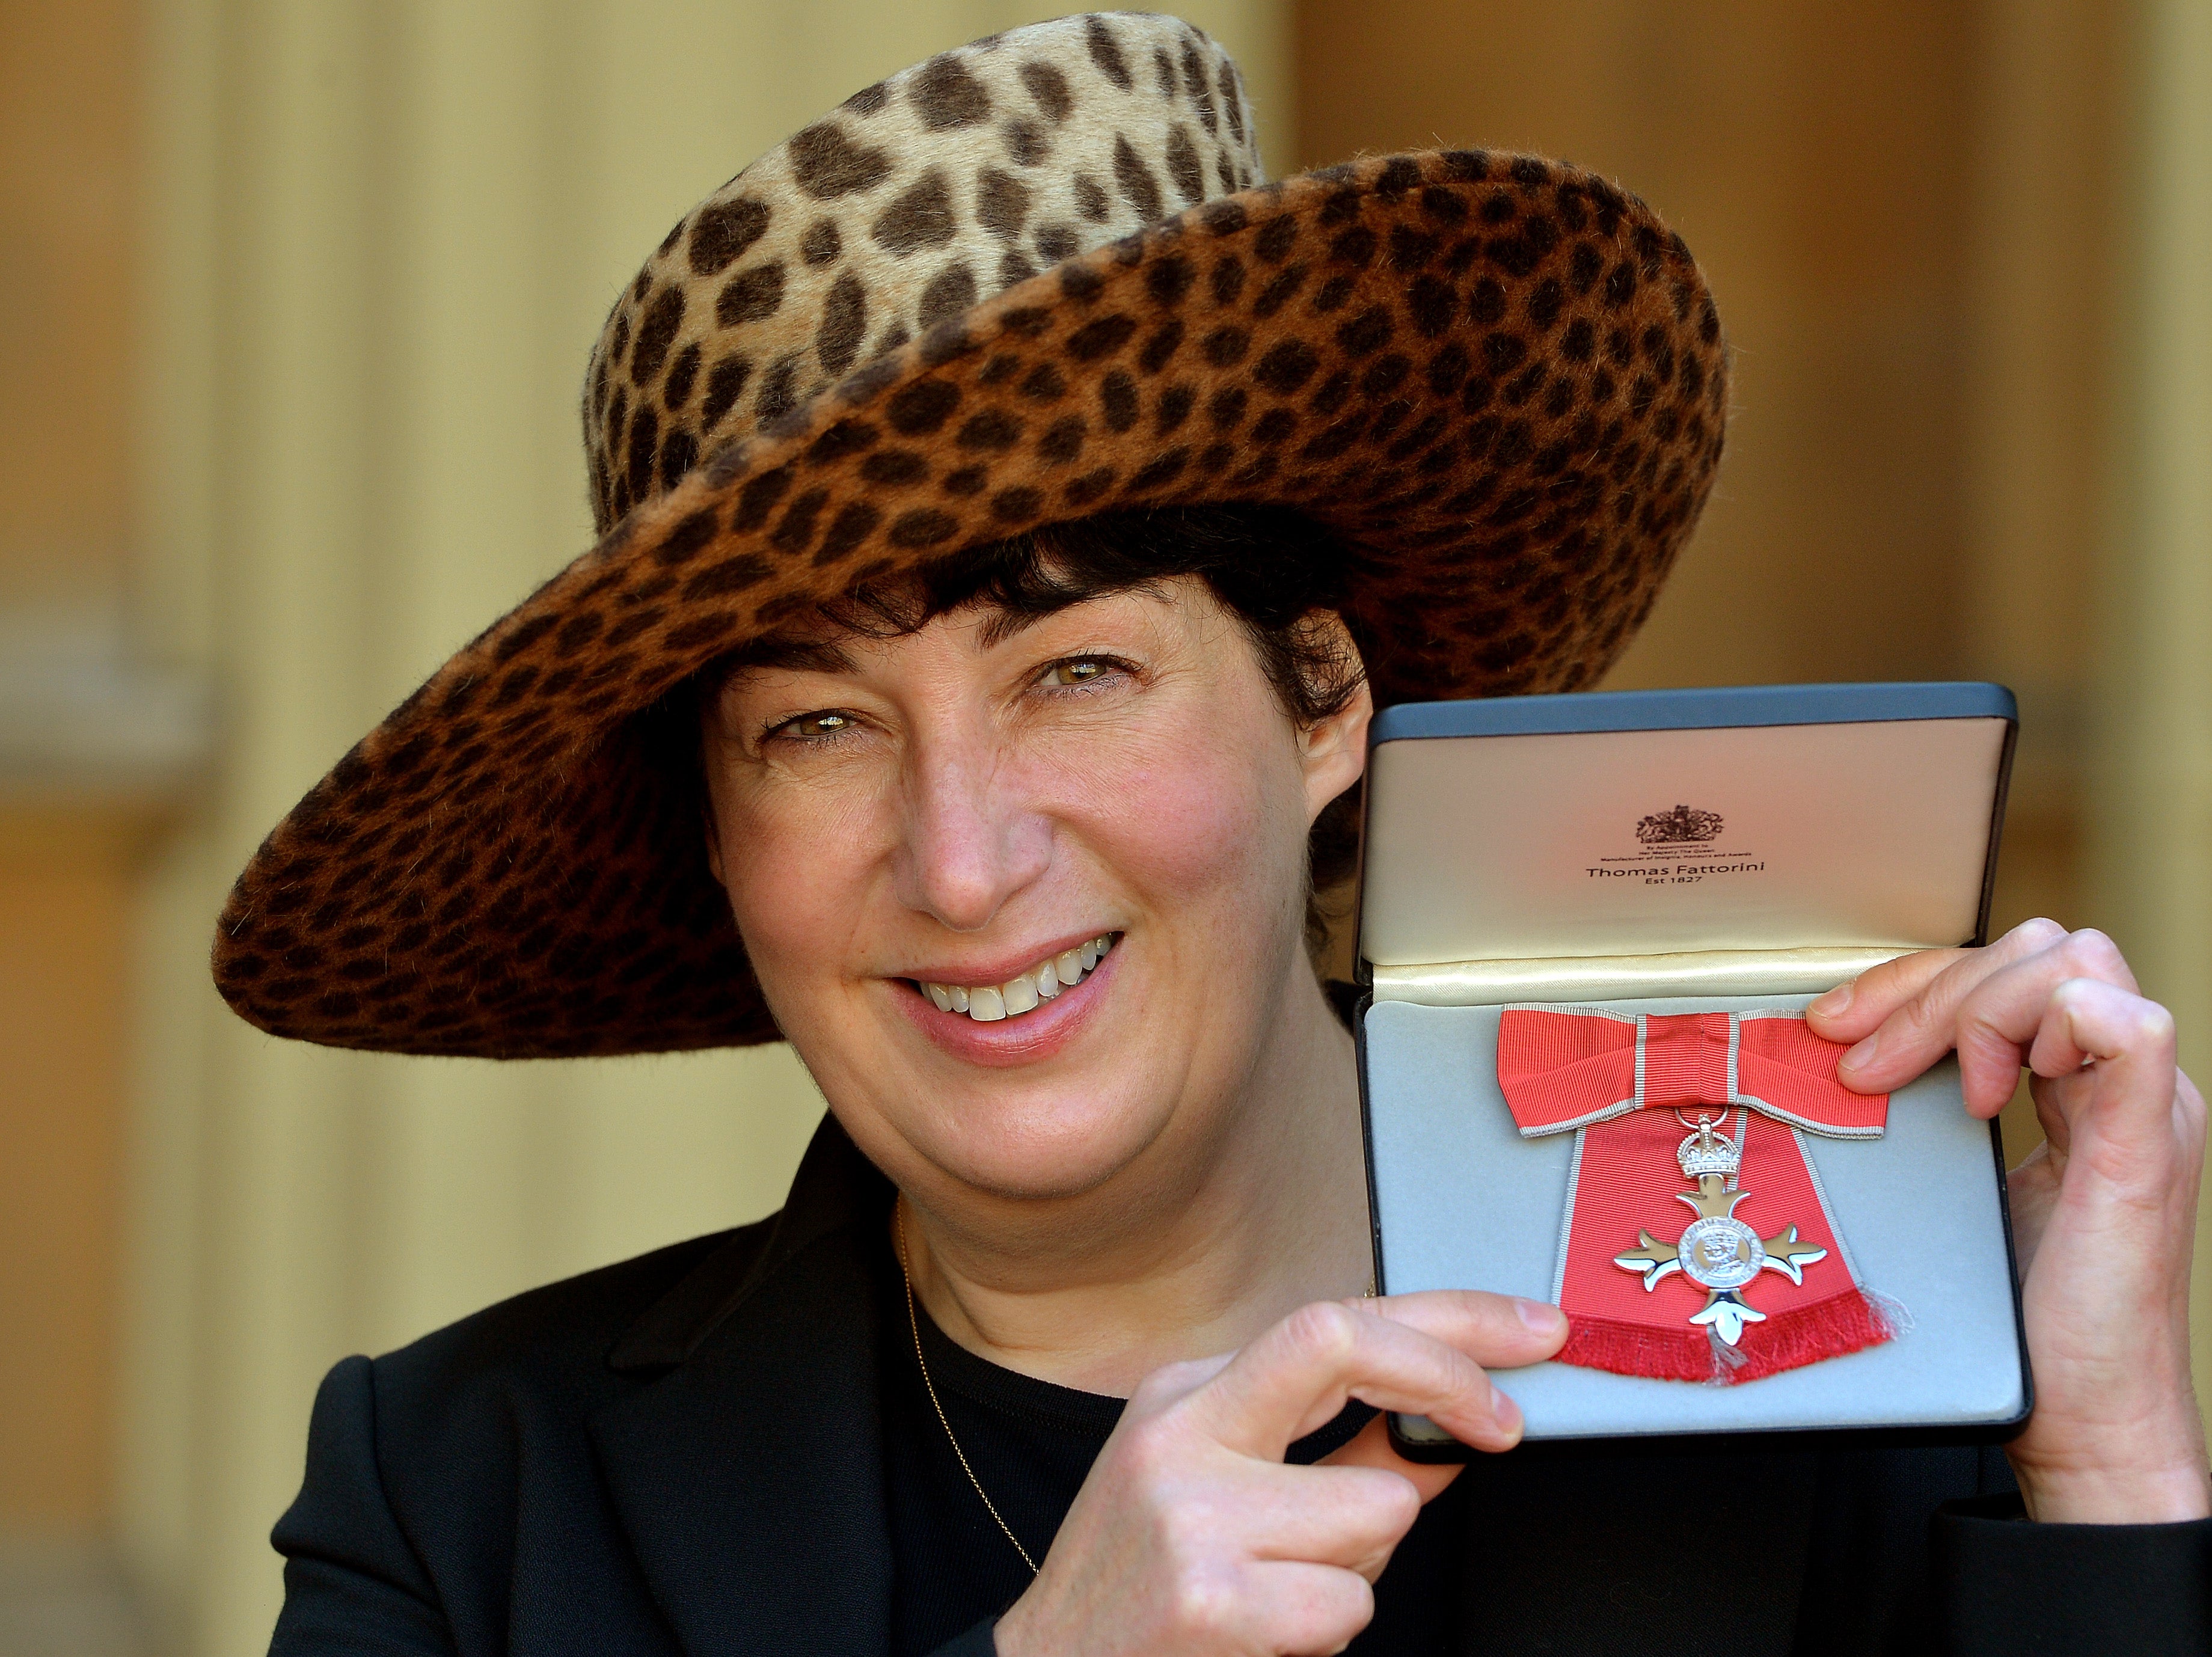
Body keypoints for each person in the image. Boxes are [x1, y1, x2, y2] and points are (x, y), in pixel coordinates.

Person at [216, 16, 2211, 1654]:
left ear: (1324, 703)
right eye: (818, 725)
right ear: (720, 845)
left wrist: (2103, 1456)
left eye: (1075, 672)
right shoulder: (468, 1502)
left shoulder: (1836, 1387)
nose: (965, 860)